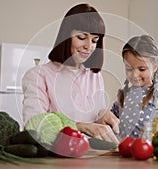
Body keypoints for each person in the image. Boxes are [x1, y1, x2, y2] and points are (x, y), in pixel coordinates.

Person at [22, 3, 119, 144]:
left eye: (94, 40)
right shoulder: (38, 76)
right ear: (66, 37)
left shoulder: (94, 76)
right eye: (81, 37)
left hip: (90, 154)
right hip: (56, 159)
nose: (88, 46)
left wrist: (102, 114)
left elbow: (92, 118)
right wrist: (81, 127)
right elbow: (35, 126)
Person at [111, 35, 158, 139]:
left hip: (151, 153)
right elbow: (111, 125)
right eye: (129, 69)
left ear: (154, 66)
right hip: (124, 153)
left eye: (142, 69)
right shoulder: (123, 96)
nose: (134, 75)